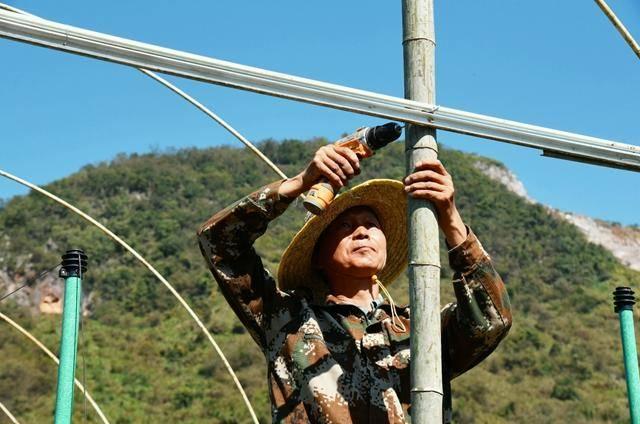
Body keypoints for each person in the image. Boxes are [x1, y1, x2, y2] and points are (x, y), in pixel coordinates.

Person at [198, 143, 512, 423]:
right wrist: (300, 182)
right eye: (346, 226)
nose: (361, 232)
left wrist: (450, 217)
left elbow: (491, 320)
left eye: (371, 225)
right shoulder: (289, 322)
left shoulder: (422, 329)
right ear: (318, 255)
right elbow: (219, 242)